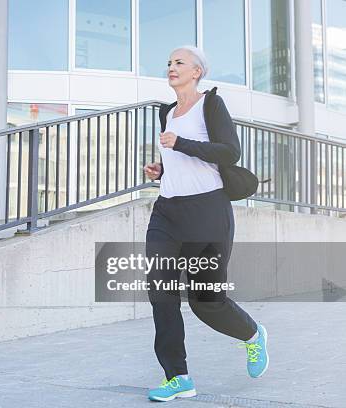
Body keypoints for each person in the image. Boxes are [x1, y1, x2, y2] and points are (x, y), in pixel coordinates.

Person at [142, 45, 269, 402]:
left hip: (207, 212)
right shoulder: (167, 113)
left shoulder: (211, 104)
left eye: (179, 62)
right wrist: (162, 169)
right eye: (168, 62)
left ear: (196, 71)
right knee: (160, 291)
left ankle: (252, 334)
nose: (171, 67)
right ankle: (178, 377)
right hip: (167, 211)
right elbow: (185, 162)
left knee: (206, 301)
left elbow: (229, 152)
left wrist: (181, 143)